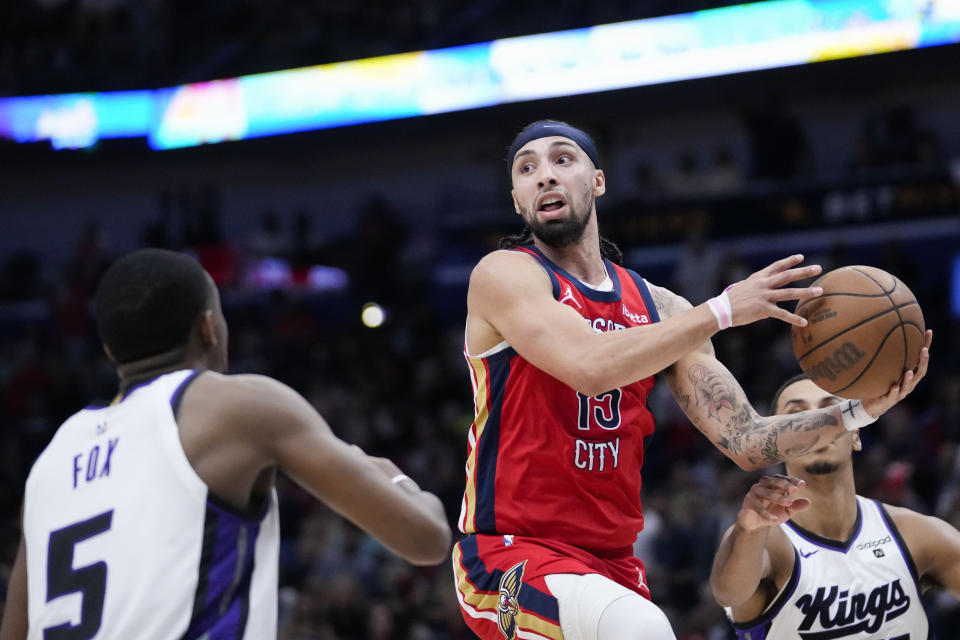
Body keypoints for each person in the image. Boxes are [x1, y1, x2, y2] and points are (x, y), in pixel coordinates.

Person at [451, 120, 932, 640]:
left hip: (613, 565)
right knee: (642, 630)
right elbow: (589, 367)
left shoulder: (661, 308)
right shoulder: (504, 274)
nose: (544, 175)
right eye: (527, 169)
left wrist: (860, 410)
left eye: (562, 160)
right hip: (509, 556)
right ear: (519, 201)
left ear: (597, 181)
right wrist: (723, 309)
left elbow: (747, 440)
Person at [0, 248, 451, 640]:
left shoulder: (52, 458)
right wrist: (391, 475)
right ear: (209, 328)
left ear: (110, 351)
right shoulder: (234, 406)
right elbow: (425, 539)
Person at [710, 374, 960, 639]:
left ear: (855, 434)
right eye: (797, 416)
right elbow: (728, 591)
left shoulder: (914, 534)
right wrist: (748, 530)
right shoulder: (766, 540)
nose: (815, 425)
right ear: (776, 446)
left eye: (832, 411)